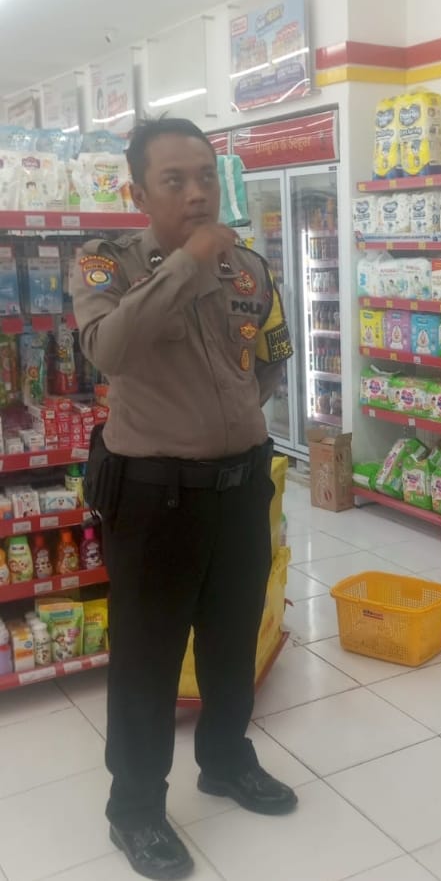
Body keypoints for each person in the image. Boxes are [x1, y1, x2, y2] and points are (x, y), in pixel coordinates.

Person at [71, 117, 297, 881]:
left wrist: (230, 416)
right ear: (139, 193)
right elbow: (107, 347)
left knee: (233, 640)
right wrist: (190, 262)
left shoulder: (250, 268)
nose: (197, 192)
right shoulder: (105, 263)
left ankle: (226, 759)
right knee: (148, 660)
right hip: (153, 499)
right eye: (174, 180)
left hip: (241, 487)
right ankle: (134, 807)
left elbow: (271, 358)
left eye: (205, 175)